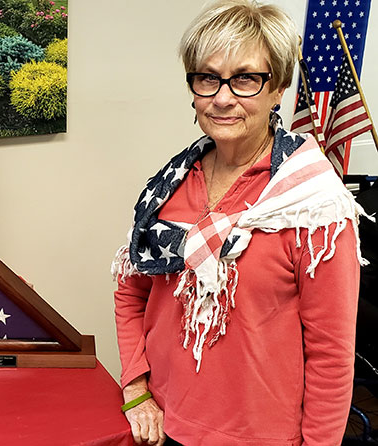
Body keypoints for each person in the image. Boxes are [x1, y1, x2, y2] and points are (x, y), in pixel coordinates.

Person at [111, 1, 366, 445]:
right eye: (208, 78)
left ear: (278, 88)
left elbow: (331, 354)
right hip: (164, 429)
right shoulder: (168, 187)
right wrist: (136, 388)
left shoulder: (314, 206)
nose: (223, 98)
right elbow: (130, 290)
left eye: (246, 78)